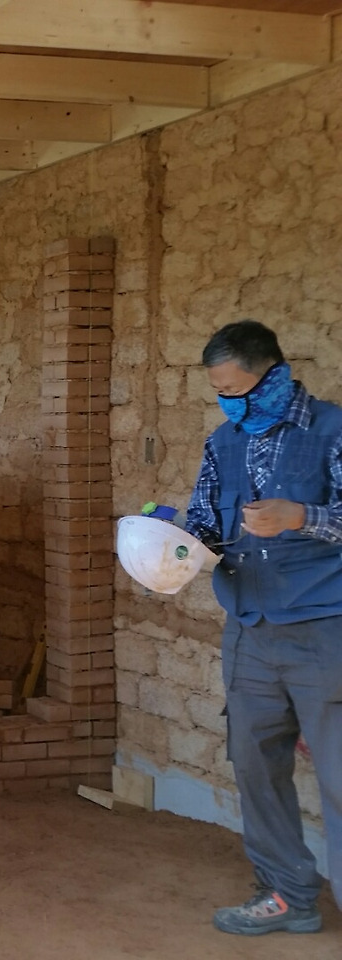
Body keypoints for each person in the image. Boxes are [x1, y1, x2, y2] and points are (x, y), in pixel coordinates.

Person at [184, 319, 342, 936]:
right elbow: (203, 522)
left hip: (324, 629)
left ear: (273, 375)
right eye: (219, 393)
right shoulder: (223, 442)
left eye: (235, 390)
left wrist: (300, 515)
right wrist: (171, 547)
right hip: (249, 631)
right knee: (255, 766)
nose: (229, 403)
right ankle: (287, 894)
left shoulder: (331, 430)